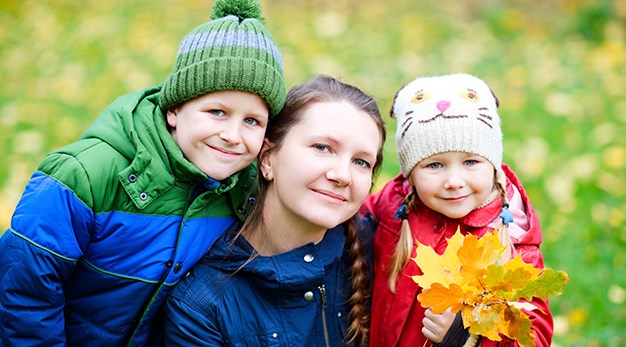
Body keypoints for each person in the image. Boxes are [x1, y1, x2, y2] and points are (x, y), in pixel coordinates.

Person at [0, 0, 285, 345]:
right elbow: (25, 291)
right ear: (174, 110)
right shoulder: (83, 177)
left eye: (251, 121)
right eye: (217, 112)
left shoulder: (243, 190)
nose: (232, 135)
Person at [163, 75, 387, 346]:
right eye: (322, 148)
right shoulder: (202, 303)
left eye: (361, 162)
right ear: (268, 158)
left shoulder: (382, 251)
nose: (342, 175)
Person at [361, 73, 554, 347]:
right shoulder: (393, 203)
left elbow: (534, 336)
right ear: (410, 175)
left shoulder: (512, 241)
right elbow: (346, 221)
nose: (454, 182)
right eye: (434, 165)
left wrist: (461, 334)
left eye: (471, 161)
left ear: (493, 165)